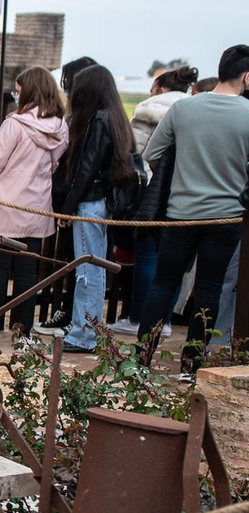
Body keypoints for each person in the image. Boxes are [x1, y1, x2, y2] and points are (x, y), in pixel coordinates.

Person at [137, 44, 249, 371]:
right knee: (209, 291)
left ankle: (141, 359)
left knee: (163, 283)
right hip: (227, 216)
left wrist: (182, 174)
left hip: (180, 212)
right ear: (246, 76)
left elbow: (152, 153)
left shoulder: (184, 108)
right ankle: (191, 365)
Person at [0, 65, 67, 333]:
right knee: (27, 273)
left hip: (4, 208)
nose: (16, 94)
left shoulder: (14, 123)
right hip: (35, 209)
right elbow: (54, 165)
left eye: (18, 90)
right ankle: (22, 329)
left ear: (29, 91)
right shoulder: (60, 128)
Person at [53, 64, 138, 353]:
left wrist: (67, 208)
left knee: (87, 271)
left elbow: (86, 171)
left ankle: (84, 334)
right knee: (93, 269)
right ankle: (86, 330)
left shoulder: (98, 120)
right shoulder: (114, 118)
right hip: (99, 204)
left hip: (90, 203)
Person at [113, 64, 196, 334]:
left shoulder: (149, 108)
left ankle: (138, 318)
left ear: (161, 88)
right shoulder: (193, 108)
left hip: (150, 190)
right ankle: (166, 322)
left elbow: (135, 152)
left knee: (147, 257)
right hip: (184, 191)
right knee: (172, 262)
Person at [35, 56, 101, 336]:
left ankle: (81, 326)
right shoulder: (84, 117)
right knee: (75, 263)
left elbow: (84, 169)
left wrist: (70, 205)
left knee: (82, 266)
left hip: (78, 199)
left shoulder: (92, 120)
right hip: (70, 197)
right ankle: (73, 317)